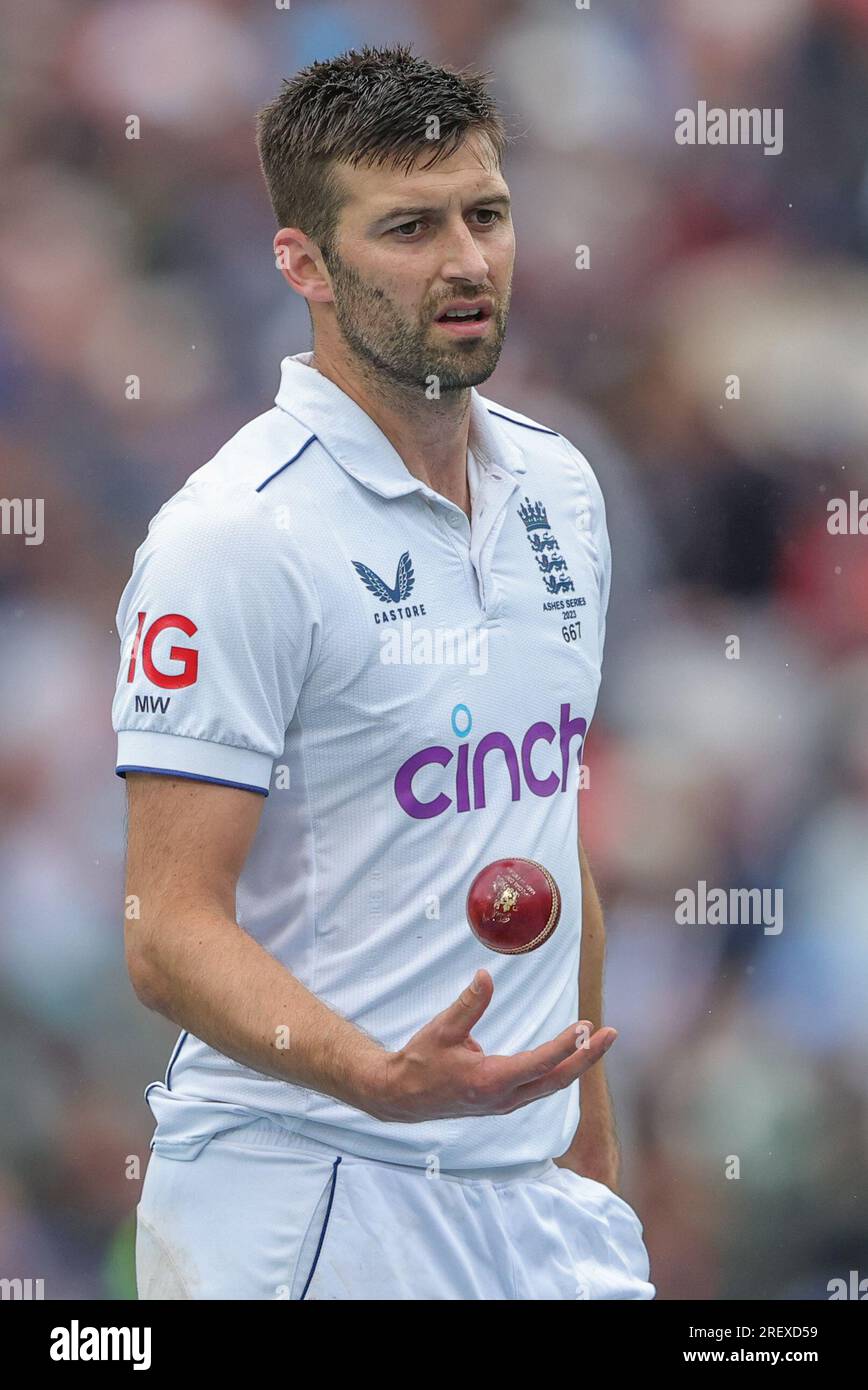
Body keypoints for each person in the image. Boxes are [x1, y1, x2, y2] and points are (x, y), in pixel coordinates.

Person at [112, 43, 654, 1301]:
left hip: (530, 1206)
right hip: (309, 1191)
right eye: (408, 227)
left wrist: (589, 1154)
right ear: (302, 262)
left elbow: (540, 825)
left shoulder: (563, 490)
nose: (465, 261)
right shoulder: (233, 538)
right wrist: (375, 1074)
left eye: (487, 215)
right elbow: (164, 931)